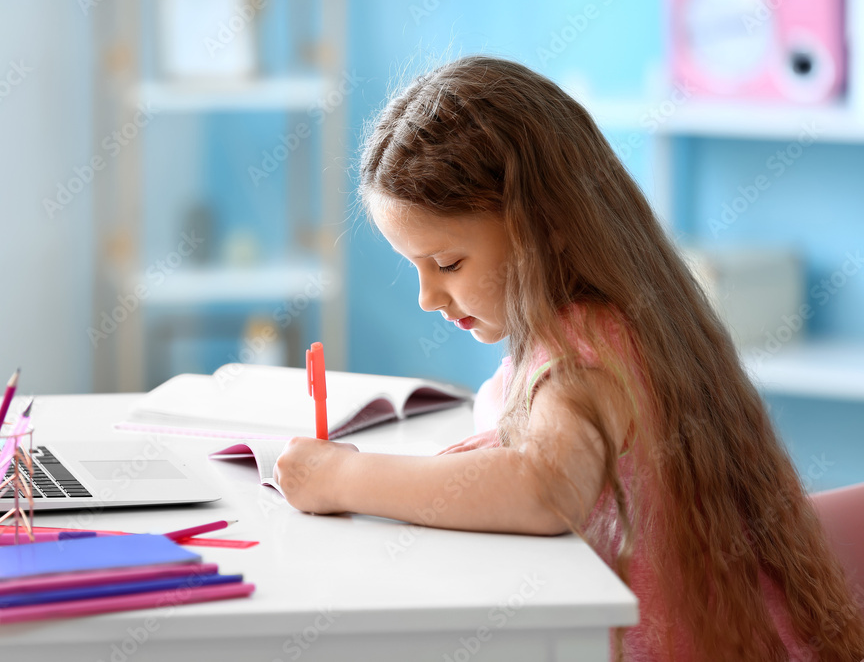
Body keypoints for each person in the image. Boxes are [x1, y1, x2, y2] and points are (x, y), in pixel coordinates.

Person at [273, 55, 864, 660]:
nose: (427, 297)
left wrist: (342, 477)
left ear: (546, 226)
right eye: (416, 268)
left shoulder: (587, 343)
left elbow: (548, 489)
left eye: (447, 264)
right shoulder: (604, 319)